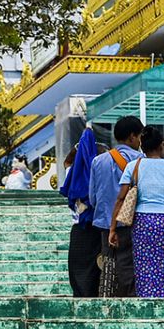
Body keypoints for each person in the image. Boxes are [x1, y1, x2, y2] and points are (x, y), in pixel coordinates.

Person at [108, 127, 164, 298]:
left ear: (142, 146)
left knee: (144, 266)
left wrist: (113, 228)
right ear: (162, 145)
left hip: (142, 221)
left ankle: (146, 300)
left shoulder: (133, 166)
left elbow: (120, 199)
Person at [90, 116, 144, 297]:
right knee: (130, 264)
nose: (140, 141)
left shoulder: (99, 161)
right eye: (139, 137)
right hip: (132, 221)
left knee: (109, 264)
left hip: (106, 223)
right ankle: (129, 299)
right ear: (132, 137)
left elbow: (92, 197)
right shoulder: (140, 160)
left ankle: (109, 297)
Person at [58, 126, 101, 297]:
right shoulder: (98, 171)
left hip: (79, 230)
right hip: (96, 228)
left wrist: (78, 147)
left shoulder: (73, 175)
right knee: (94, 267)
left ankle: (80, 295)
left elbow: (67, 161)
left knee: (77, 267)